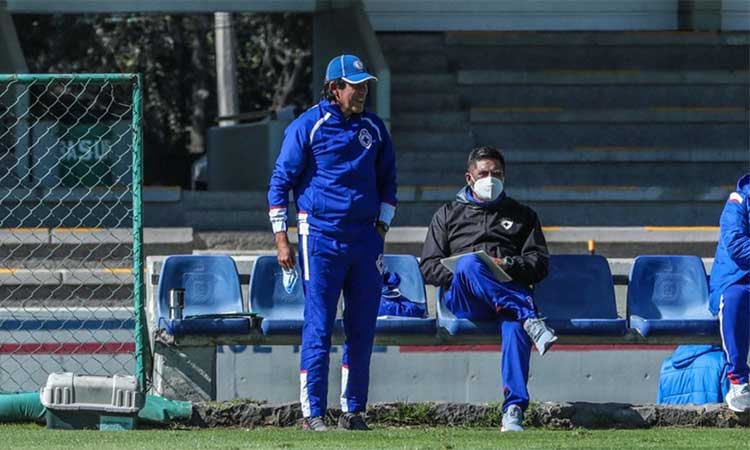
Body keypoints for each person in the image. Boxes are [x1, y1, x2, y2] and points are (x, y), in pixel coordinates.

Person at [267, 54, 397, 431]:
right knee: (319, 324)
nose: (362, 92)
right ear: (334, 88)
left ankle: (353, 410)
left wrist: (382, 228)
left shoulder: (374, 127)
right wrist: (282, 239)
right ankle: (312, 413)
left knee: (362, 325)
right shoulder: (308, 125)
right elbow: (280, 183)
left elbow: (389, 180)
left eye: (365, 85)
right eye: (355, 85)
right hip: (320, 234)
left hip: (365, 237)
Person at [419, 145, 556, 433]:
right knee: (470, 264)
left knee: (516, 327)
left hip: (506, 292)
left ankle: (514, 410)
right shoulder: (447, 215)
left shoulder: (523, 215)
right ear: (469, 178)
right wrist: (467, 269)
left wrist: (505, 263)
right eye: (484, 173)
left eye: (497, 173)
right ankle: (528, 314)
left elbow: (539, 263)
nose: (490, 178)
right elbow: (428, 267)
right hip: (465, 298)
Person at [709, 173, 750, 412]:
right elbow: (736, 244)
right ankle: (738, 382)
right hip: (735, 279)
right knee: (735, 298)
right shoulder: (739, 200)